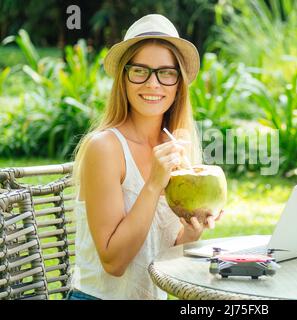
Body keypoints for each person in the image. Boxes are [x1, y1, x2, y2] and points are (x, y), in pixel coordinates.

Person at [68, 14, 223, 300]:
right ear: (124, 79)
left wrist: (192, 232)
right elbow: (114, 262)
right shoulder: (104, 148)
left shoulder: (176, 147)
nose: (153, 84)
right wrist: (153, 184)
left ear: (178, 85)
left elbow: (162, 253)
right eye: (140, 70)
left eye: (166, 72)